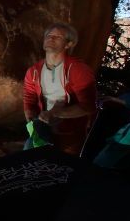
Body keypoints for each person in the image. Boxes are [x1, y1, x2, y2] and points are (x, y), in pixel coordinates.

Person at [23, 22, 96, 155]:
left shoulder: (78, 70)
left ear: (69, 44)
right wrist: (31, 122)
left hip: (70, 132)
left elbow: (88, 106)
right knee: (32, 161)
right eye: (49, 35)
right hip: (42, 127)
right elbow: (29, 98)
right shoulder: (33, 71)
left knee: (64, 168)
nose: (51, 38)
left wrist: (56, 113)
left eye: (58, 37)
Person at [93, 91, 130, 170]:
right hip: (124, 141)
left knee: (99, 165)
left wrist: (112, 99)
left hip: (124, 142)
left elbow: (129, 100)